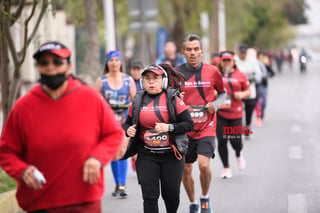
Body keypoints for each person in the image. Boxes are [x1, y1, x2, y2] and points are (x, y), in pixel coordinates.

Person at [0, 41, 124, 213]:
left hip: (84, 201)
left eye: (57, 62)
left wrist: (97, 157)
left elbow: (114, 133)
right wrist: (22, 170)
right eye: (44, 63)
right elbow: (6, 151)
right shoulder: (23, 107)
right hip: (40, 202)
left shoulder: (90, 98)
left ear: (69, 67)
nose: (50, 67)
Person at [121, 63, 194, 213]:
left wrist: (169, 127)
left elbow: (189, 124)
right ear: (143, 82)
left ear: (163, 81)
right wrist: (128, 130)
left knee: (171, 196)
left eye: (155, 78)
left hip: (171, 155)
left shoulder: (173, 99)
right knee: (149, 196)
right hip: (147, 155)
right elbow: (126, 124)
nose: (151, 82)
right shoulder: (137, 101)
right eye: (147, 78)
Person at [175, 34, 227, 213]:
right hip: (185, 129)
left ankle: (205, 197)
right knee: (186, 169)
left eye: (196, 49)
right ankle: (193, 203)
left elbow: (222, 93)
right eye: (188, 49)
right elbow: (168, 99)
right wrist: (176, 98)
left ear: (202, 51)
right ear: (183, 52)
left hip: (207, 125)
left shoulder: (212, 71)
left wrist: (216, 105)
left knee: (204, 165)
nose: (192, 53)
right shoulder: (176, 73)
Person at [95, 50, 137, 197]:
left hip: (125, 120)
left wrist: (135, 121)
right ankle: (118, 183)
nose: (114, 63)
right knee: (113, 153)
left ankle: (122, 185)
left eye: (116, 60)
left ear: (120, 63)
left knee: (122, 150)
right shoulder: (101, 81)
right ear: (107, 62)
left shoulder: (128, 80)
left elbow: (135, 101)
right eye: (111, 60)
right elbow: (96, 102)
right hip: (108, 121)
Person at [216, 51, 251, 178]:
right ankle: (226, 167)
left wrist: (241, 94)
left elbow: (248, 91)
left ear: (233, 62)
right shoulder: (216, 75)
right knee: (222, 140)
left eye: (228, 61)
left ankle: (238, 153)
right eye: (224, 61)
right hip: (220, 113)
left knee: (236, 140)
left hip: (236, 113)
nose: (226, 63)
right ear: (220, 62)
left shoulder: (240, 75)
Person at [234, 44, 262, 139]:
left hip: (250, 90)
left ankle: (248, 125)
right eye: (241, 53)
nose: (243, 55)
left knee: (249, 109)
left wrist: (252, 79)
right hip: (237, 91)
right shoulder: (234, 60)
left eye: (244, 53)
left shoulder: (252, 61)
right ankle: (239, 126)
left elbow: (258, 75)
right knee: (238, 109)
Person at [128, 59, 144, 171]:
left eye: (138, 69)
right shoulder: (127, 82)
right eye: (134, 69)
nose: (136, 72)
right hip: (131, 112)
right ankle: (134, 155)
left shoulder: (146, 81)